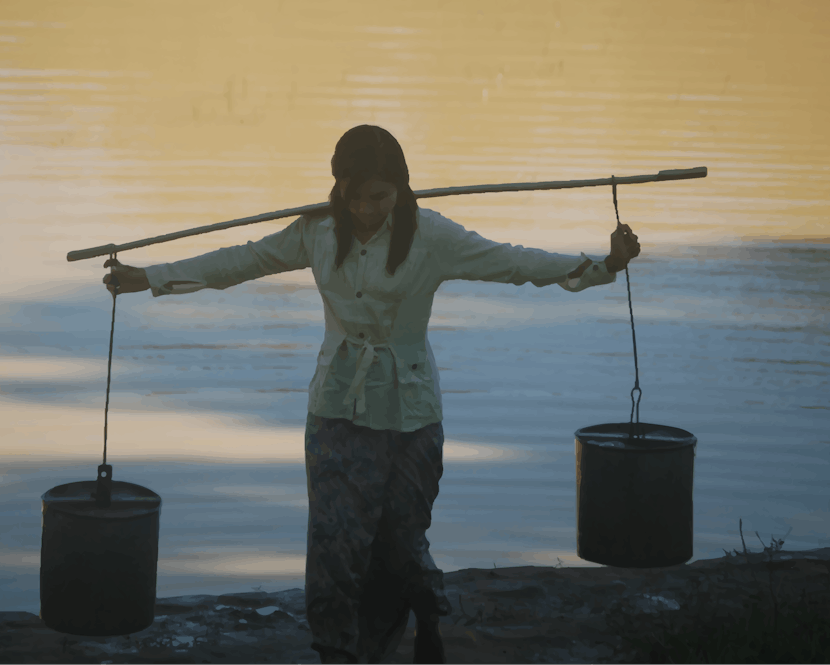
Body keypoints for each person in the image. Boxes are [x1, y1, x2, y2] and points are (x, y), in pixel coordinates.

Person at [102, 124, 640, 664]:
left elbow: (515, 262)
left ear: (401, 188)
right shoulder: (315, 231)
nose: (365, 209)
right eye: (353, 195)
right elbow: (240, 261)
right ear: (337, 187)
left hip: (412, 414)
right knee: (335, 542)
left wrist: (606, 265)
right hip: (337, 409)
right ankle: (336, 653)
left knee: (402, 540)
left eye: (379, 196)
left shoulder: (432, 236)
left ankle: (425, 617)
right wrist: (149, 277)